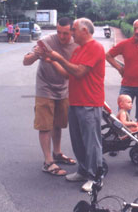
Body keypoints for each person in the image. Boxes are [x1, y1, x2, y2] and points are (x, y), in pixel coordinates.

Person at [44, 18, 105, 192]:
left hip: (90, 102)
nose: (71, 33)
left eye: (73, 30)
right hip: (76, 101)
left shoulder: (95, 47)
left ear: (84, 31)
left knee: (92, 142)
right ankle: (84, 171)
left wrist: (59, 58)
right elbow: (67, 73)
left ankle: (95, 178)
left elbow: (79, 72)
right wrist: (53, 60)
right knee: (78, 140)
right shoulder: (79, 49)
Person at [23, 17, 77, 177]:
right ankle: (48, 162)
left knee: (58, 123)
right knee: (45, 125)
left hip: (63, 88)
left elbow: (71, 72)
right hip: (44, 87)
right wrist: (36, 55)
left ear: (72, 32)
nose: (61, 37)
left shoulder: (76, 44)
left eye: (66, 33)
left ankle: (57, 153)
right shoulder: (46, 41)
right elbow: (26, 61)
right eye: (59, 32)